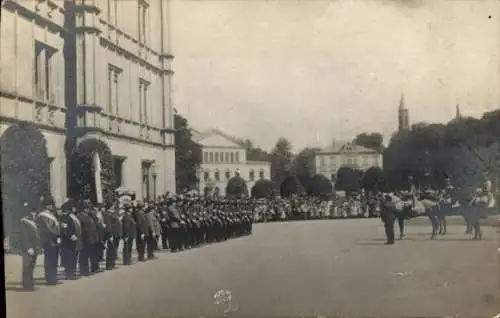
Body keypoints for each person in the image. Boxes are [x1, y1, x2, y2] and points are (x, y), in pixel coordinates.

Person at [36, 198, 61, 285]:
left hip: (53, 240)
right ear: (47, 206)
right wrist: (56, 235)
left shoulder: (51, 215)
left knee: (54, 260)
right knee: (50, 260)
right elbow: (48, 229)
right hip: (49, 240)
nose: (53, 206)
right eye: (51, 205)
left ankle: (53, 277)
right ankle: (50, 279)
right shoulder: (43, 216)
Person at [19, 204, 42, 290]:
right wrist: (28, 247)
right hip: (28, 248)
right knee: (27, 266)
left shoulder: (34, 221)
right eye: (33, 212)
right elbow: (24, 235)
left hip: (34, 247)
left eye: (35, 212)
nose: (34, 214)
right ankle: (27, 285)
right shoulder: (24, 221)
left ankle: (30, 283)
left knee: (32, 266)